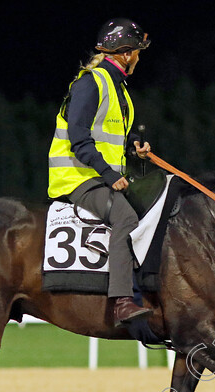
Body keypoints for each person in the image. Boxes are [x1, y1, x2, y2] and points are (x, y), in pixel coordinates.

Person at [48, 18, 153, 327]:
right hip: (78, 178)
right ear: (125, 53)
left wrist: (136, 144)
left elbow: (119, 135)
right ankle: (122, 302)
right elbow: (79, 139)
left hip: (98, 176)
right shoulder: (90, 83)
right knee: (126, 218)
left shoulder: (119, 90)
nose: (137, 58)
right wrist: (109, 175)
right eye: (136, 52)